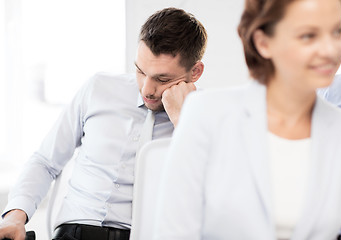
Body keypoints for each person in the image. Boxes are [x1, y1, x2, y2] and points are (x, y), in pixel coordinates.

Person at [154, 0, 341, 239]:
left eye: (336, 31)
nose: (330, 50)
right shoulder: (205, 115)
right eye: (308, 35)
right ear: (263, 42)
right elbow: (174, 232)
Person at [0, 7, 207, 240]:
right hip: (76, 233)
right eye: (140, 71)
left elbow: (216, 196)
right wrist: (15, 216)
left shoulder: (207, 117)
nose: (147, 89)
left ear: (195, 72)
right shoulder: (98, 88)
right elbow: (46, 161)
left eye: (163, 79)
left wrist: (183, 120)